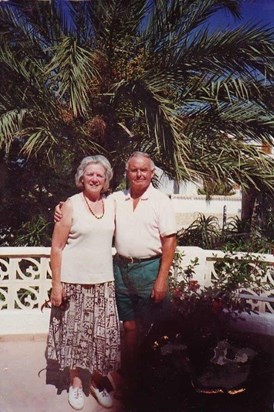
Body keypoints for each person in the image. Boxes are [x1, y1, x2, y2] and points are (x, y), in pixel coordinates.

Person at [54, 151, 177, 394]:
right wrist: (60, 207)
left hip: (148, 268)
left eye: (144, 170)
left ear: (152, 173)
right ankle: (129, 374)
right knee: (128, 325)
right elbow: (83, 205)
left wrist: (161, 279)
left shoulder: (161, 201)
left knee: (151, 326)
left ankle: (149, 376)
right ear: (126, 173)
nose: (139, 174)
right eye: (134, 170)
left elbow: (170, 242)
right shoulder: (116, 200)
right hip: (119, 269)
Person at [47, 155, 120, 410]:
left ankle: (97, 381)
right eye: (90, 174)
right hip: (73, 282)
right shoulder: (70, 205)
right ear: (81, 177)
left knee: (101, 339)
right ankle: (76, 384)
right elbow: (56, 247)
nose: (95, 178)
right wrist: (57, 284)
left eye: (100, 175)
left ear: (106, 180)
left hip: (103, 282)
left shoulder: (112, 205)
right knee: (74, 336)